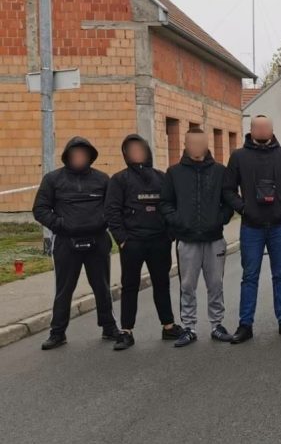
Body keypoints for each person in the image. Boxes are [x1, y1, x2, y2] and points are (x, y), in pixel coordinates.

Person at [33, 137, 120, 350]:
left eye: (83, 154)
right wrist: (61, 224)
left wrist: (101, 222)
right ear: (68, 156)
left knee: (101, 287)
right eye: (75, 154)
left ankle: (109, 327)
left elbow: (113, 207)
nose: (79, 157)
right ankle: (57, 333)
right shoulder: (53, 179)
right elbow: (40, 209)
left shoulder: (102, 179)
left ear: (90, 156)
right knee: (64, 290)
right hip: (66, 242)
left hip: (97, 241)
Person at [224, 115, 281, 343]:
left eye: (266, 127)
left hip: (280, 225)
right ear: (251, 130)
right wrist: (244, 208)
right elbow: (228, 190)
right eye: (258, 127)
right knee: (250, 277)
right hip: (251, 226)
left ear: (272, 129)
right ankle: (245, 325)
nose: (262, 130)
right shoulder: (238, 156)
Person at [159, 128, 234, 347]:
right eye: (193, 143)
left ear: (207, 144)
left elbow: (228, 201)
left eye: (201, 143)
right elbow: (165, 203)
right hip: (187, 240)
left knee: (216, 284)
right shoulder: (174, 173)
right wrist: (179, 221)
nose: (197, 148)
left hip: (214, 239)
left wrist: (219, 219)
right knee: (187, 285)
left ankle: (217, 324)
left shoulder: (220, 171)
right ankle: (189, 327)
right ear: (185, 144)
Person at [105, 133, 179, 351]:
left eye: (140, 149)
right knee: (129, 287)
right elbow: (112, 212)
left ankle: (168, 326)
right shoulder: (119, 180)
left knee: (162, 284)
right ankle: (126, 331)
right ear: (126, 154)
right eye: (132, 150)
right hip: (133, 243)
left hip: (159, 241)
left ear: (147, 151)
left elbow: (170, 207)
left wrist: (169, 235)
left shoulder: (162, 177)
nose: (137, 153)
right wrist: (122, 240)